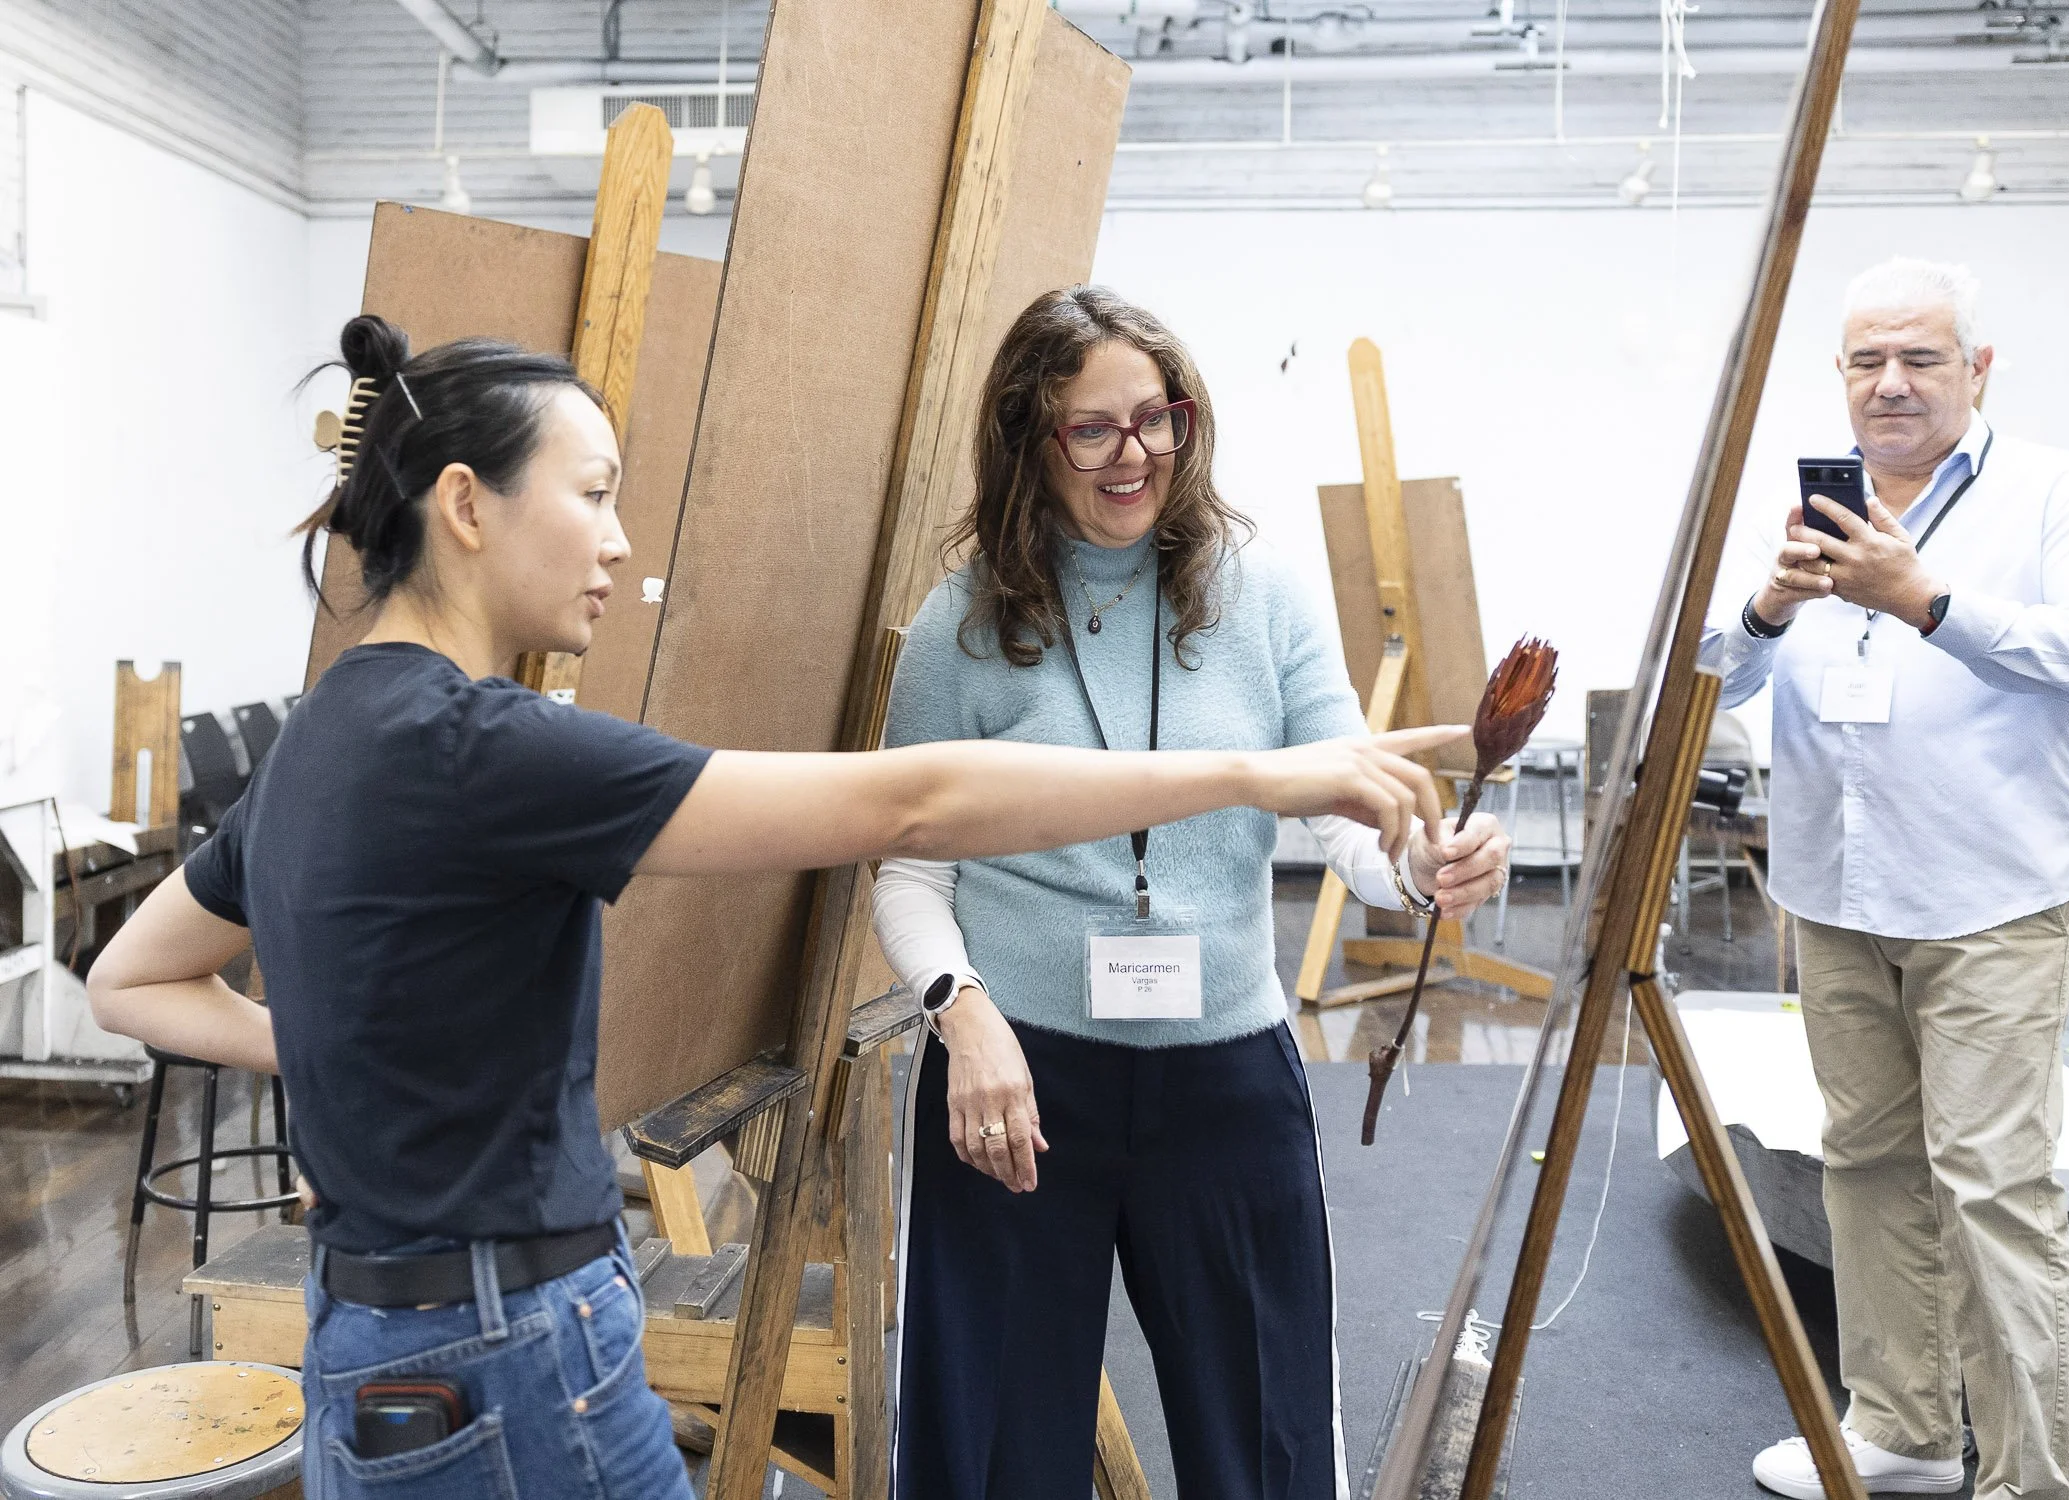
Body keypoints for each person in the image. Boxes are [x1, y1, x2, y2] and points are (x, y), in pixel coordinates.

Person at [84, 314, 1466, 1500]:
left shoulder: (326, 734)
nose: (620, 542)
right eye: (593, 493)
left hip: (370, 1342)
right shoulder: (489, 748)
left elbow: (131, 980)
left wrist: (327, 1050)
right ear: (465, 506)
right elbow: (904, 811)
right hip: (511, 1354)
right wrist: (1245, 770)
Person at [874, 286, 1514, 1499]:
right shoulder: (961, 626)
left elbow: (1339, 798)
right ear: (1027, 436)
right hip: (1019, 1078)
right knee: (998, 1443)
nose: (1138, 455)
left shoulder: (1259, 595)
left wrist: (1421, 873)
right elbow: (909, 870)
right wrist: (962, 1013)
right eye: (1094, 429)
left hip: (1223, 1068)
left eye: (1159, 418)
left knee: (1264, 1437)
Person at [1702, 259, 2069, 1500]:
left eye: (1921, 359)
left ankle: (2028, 1479)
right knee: (1868, 1166)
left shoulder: (2057, 492)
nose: (1891, 384)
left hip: (1995, 903)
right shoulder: (1803, 500)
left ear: (1977, 369)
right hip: (1837, 897)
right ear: (1839, 373)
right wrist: (1769, 608)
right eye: (1866, 360)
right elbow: (1711, 673)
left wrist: (1930, 601)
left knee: (1996, 1189)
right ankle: (1901, 1429)